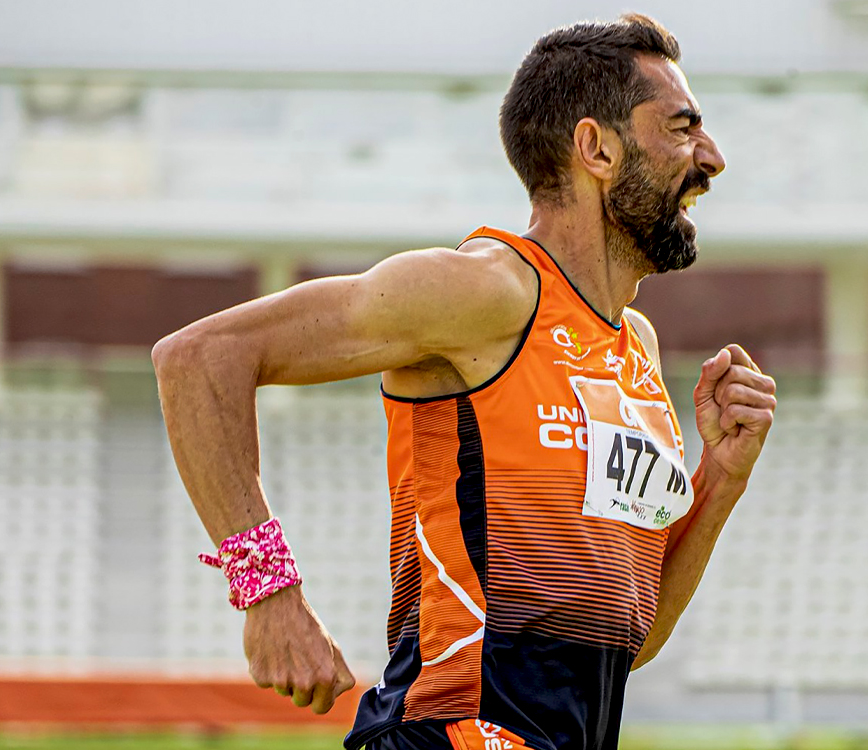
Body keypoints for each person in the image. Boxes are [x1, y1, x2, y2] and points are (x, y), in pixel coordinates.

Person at [153, 12, 776, 750]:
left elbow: (628, 640)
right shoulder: (484, 292)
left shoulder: (635, 348)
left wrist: (721, 482)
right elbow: (198, 359)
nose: (713, 156)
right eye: (680, 128)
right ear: (595, 148)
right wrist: (268, 595)